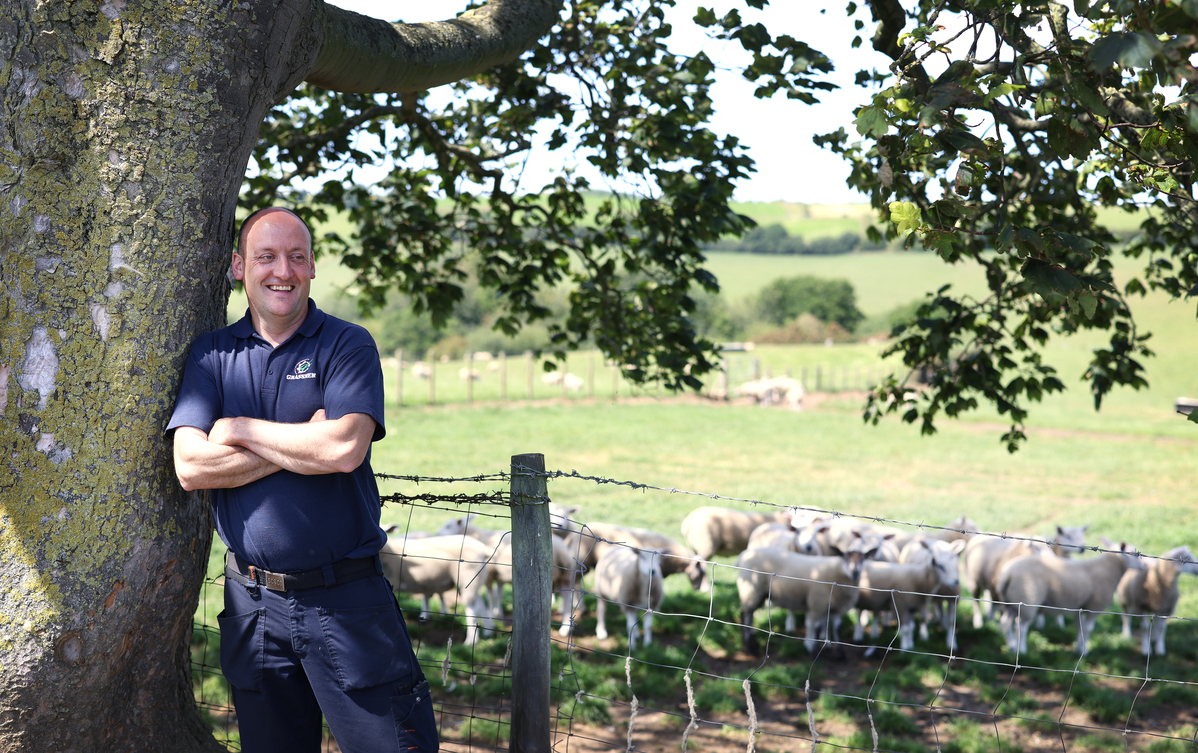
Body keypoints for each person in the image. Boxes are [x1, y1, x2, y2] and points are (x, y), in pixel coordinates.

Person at [167, 207, 438, 753]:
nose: (282, 271)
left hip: (347, 602)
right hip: (253, 607)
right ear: (239, 267)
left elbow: (343, 448)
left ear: (312, 266)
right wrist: (303, 440)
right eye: (266, 257)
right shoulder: (211, 354)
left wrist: (238, 429)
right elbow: (191, 466)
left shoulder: (346, 344)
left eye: (296, 257)